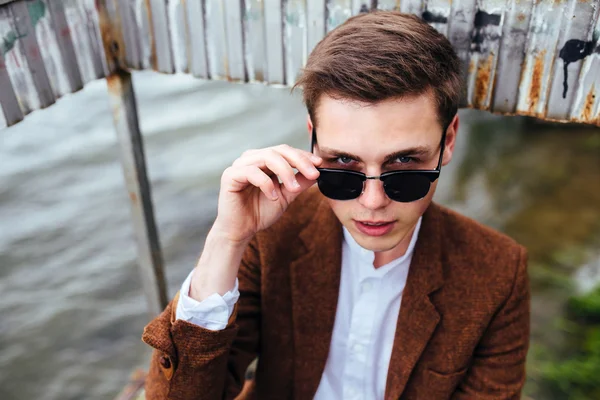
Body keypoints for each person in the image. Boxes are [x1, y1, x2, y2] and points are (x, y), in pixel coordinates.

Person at [142, 11, 530, 400]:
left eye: (404, 164)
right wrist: (227, 239)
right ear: (313, 141)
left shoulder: (498, 273)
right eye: (344, 164)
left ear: (447, 142)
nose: (373, 202)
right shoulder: (272, 232)